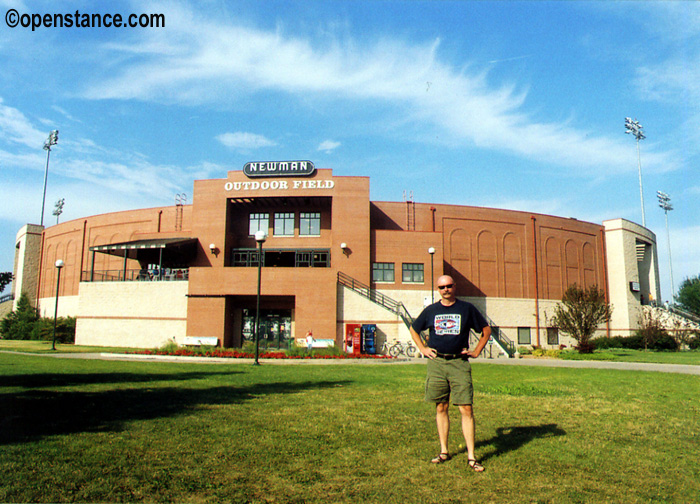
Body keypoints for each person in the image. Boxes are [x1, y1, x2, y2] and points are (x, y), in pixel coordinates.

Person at [409, 275, 491, 472]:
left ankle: (472, 457)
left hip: (459, 363)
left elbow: (486, 330)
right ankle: (444, 451)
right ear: (438, 289)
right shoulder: (431, 310)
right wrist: (423, 349)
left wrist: (477, 351)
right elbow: (414, 329)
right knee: (440, 407)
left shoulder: (466, 309)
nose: (445, 289)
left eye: (448, 286)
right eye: (441, 287)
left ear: (455, 287)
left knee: (466, 409)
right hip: (437, 363)